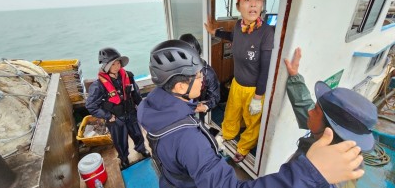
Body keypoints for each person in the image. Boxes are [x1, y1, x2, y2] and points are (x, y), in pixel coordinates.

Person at [138, 40, 365, 188]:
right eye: (197, 76)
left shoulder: (153, 108)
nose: (203, 79)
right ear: (179, 87)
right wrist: (311, 173)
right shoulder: (190, 140)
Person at [284, 47, 378, 188]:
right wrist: (295, 77)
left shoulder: (331, 181)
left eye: (315, 110)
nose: (310, 112)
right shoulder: (337, 141)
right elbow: (308, 111)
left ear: (330, 131)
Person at [204, 0, 274, 162]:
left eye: (258, 0)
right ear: (238, 6)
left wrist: (258, 97)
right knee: (231, 113)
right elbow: (233, 36)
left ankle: (243, 148)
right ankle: (227, 135)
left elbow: (266, 68)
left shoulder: (266, 32)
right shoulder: (238, 26)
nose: (253, 4)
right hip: (237, 84)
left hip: (254, 90)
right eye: (247, 0)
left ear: (261, 5)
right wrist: (215, 32)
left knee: (252, 123)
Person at [86, 47, 150, 170]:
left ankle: (141, 149)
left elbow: (135, 93)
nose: (117, 66)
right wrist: (107, 116)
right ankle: (124, 158)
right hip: (115, 118)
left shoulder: (128, 76)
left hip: (131, 113)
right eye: (113, 64)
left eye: (118, 62)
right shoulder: (98, 85)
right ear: (105, 66)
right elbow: (91, 105)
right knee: (120, 141)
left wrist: (141, 107)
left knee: (137, 134)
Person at [179, 33, 220, 123]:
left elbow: (215, 97)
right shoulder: (177, 69)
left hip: (197, 109)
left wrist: (205, 106)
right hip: (179, 108)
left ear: (197, 52)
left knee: (197, 126)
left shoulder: (208, 73)